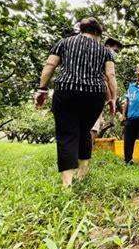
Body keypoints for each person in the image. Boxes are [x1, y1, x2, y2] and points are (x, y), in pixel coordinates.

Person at [34, 18, 117, 187]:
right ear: (98, 33)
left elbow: (50, 64)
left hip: (67, 91)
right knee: (85, 131)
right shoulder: (105, 51)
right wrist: (113, 99)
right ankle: (82, 175)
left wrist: (42, 89)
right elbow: (111, 76)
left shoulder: (64, 43)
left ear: (81, 29)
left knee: (67, 134)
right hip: (94, 95)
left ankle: (67, 184)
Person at [90, 38, 124, 142]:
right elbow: (109, 77)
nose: (116, 54)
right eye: (116, 51)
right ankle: (85, 156)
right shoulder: (105, 59)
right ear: (108, 47)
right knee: (93, 128)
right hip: (94, 96)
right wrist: (112, 100)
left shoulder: (91, 55)